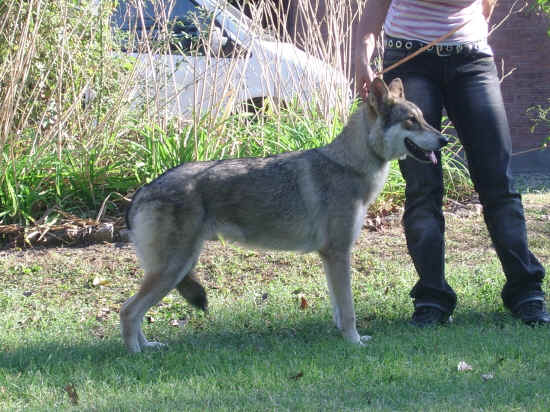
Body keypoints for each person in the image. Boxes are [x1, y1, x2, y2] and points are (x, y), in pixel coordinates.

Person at [354, 0, 549, 326]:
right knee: (422, 185)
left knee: (497, 180)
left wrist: (470, 33)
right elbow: (372, 17)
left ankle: (526, 292)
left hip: (472, 60)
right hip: (409, 60)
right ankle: (432, 298)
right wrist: (362, 62)